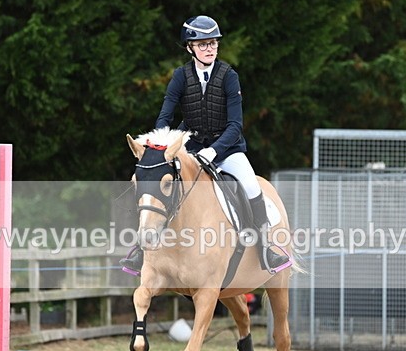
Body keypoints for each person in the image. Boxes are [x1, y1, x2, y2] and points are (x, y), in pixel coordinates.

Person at [121, 15, 291, 275]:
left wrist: (214, 150)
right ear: (190, 47)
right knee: (154, 180)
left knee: (251, 186)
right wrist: (159, 142)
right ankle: (141, 249)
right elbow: (165, 116)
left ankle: (267, 248)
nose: (210, 48)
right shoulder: (180, 76)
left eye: (213, 43)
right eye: (203, 44)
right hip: (189, 147)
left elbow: (236, 125)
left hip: (226, 149)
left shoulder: (228, 76)